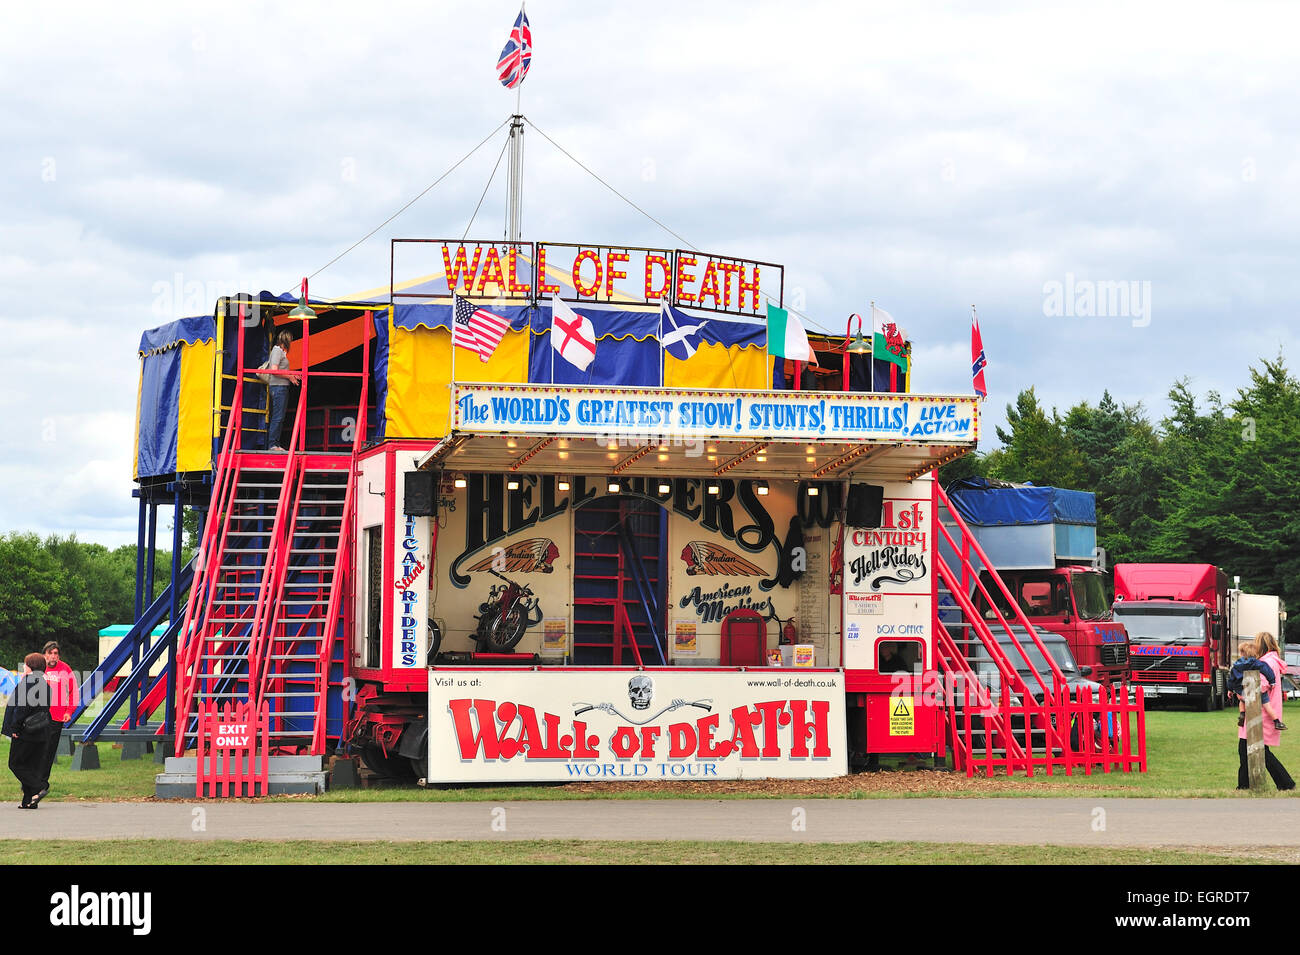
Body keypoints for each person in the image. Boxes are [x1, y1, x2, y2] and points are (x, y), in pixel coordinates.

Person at [1232, 638, 1295, 791]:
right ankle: (1246, 785)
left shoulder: (1267, 662)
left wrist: (1241, 693)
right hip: (1263, 710)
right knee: (1252, 750)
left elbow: (1261, 685)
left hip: (1258, 712)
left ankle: (1285, 783)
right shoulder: (1271, 661)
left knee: (1256, 750)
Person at [2, 653, 54, 808]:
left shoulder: (28, 683)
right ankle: (29, 801)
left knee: (16, 764)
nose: (23, 667)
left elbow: (21, 708)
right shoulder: (45, 684)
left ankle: (39, 787)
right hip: (41, 730)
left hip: (25, 731)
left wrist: (15, 728)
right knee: (30, 765)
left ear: (31, 666)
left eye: (25, 664)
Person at [38, 641, 76, 798]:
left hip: (56, 717)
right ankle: (29, 782)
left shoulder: (65, 669)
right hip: (38, 717)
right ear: (44, 654)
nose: (53, 656)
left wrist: (69, 711)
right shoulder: (37, 667)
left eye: (55, 653)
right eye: (50, 653)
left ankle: (42, 785)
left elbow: (74, 692)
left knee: (48, 752)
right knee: (35, 750)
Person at [264, 329, 299, 452]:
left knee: (280, 417)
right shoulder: (277, 351)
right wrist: (289, 376)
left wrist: (291, 375)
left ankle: (275, 444)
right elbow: (274, 370)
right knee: (277, 417)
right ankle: (272, 444)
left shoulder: (281, 352)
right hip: (278, 387)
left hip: (282, 387)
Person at [1258, 632, 1288, 731]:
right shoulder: (1273, 660)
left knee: (1251, 744)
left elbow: (1261, 686)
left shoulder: (1264, 663)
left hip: (1260, 714)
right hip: (1272, 707)